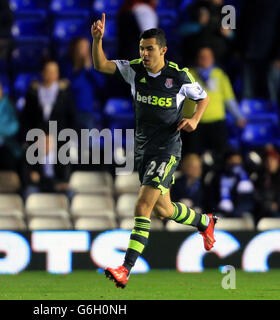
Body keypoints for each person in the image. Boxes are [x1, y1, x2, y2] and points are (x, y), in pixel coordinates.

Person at [91, 14, 216, 289]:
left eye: (149, 49)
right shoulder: (134, 70)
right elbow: (100, 64)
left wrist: (194, 119)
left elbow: (204, 97)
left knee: (142, 205)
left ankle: (125, 269)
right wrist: (97, 39)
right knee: (164, 210)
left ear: (163, 50)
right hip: (144, 149)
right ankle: (205, 222)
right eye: (141, 48)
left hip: (167, 149)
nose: (144, 54)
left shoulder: (179, 76)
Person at [182, 46, 246, 158]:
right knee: (192, 155)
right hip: (194, 123)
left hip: (217, 122)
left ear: (212, 59)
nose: (205, 59)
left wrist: (238, 117)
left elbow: (229, 99)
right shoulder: (188, 74)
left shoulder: (219, 75)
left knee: (220, 155)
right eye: (202, 56)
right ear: (197, 58)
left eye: (208, 56)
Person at [21, 60, 77, 136]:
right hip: (37, 138)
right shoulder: (33, 92)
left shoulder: (65, 92)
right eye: (48, 71)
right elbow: (26, 117)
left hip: (60, 138)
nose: (51, 75)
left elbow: (71, 116)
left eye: (54, 71)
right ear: (42, 72)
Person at [62, 37, 106, 129]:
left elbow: (101, 84)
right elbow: (67, 85)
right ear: (74, 49)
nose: (83, 51)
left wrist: (88, 68)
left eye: (86, 48)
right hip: (68, 111)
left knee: (86, 142)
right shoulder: (66, 65)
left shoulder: (92, 67)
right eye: (80, 48)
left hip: (86, 111)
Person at [206, 148, 254, 217]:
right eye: (232, 162)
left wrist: (235, 213)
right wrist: (220, 210)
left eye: (237, 163)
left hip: (240, 215)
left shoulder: (246, 180)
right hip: (220, 215)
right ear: (226, 161)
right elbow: (210, 199)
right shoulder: (216, 177)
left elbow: (249, 201)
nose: (235, 166)